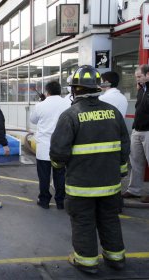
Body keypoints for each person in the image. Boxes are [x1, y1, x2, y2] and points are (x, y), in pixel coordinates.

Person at [50, 65, 130, 274]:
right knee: (110, 220)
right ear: (97, 87)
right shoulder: (113, 113)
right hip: (111, 184)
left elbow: (58, 152)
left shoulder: (70, 115)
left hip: (81, 186)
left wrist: (58, 167)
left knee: (84, 221)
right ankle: (116, 259)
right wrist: (121, 171)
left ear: (75, 90)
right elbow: (124, 145)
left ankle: (87, 262)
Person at [30, 81, 69, 209]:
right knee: (60, 175)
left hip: (44, 147)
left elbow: (33, 120)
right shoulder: (67, 103)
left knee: (44, 176)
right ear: (60, 91)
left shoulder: (40, 105)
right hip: (61, 146)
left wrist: (41, 102)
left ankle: (44, 200)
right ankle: (60, 201)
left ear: (47, 92)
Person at [122, 64, 149, 203]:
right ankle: (134, 190)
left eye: (139, 76)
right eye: (136, 77)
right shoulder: (141, 89)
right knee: (135, 161)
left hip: (148, 131)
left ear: (148, 75)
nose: (137, 80)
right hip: (137, 130)